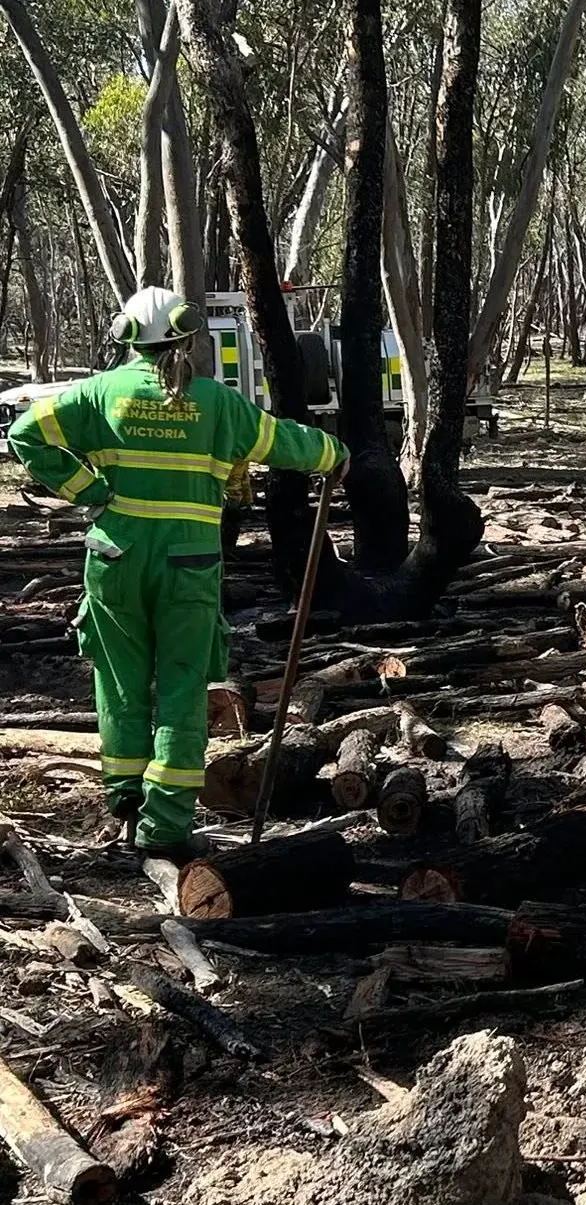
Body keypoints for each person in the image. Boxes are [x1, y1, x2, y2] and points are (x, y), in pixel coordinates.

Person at [6, 286, 347, 861]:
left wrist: (88, 493)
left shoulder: (99, 392)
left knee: (119, 684)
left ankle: (125, 801)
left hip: (115, 559)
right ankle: (164, 826)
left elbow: (23, 433)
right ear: (188, 338)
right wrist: (333, 453)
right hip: (188, 565)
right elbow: (282, 442)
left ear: (128, 339)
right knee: (185, 690)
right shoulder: (215, 402)